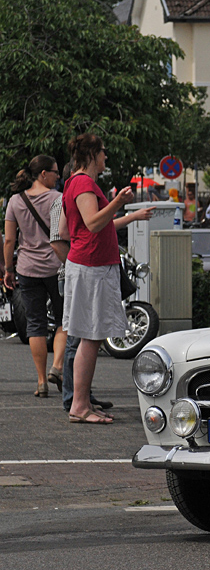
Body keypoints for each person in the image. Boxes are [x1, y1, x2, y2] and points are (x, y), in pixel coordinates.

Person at [62, 134, 153, 424]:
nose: (106, 157)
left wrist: (131, 215)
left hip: (91, 265)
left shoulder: (76, 183)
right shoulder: (83, 183)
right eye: (103, 152)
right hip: (92, 266)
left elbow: (96, 225)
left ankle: (82, 402)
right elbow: (93, 223)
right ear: (91, 154)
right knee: (91, 336)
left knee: (92, 336)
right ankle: (79, 405)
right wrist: (118, 201)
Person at [48, 168, 113, 414]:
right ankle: (74, 398)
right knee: (79, 335)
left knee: (77, 333)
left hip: (77, 268)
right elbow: (60, 237)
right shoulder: (73, 192)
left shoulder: (70, 192)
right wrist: (75, 266)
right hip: (80, 269)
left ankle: (80, 396)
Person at [3, 155, 66, 398]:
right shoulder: (58, 199)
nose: (57, 177)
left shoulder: (15, 201)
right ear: (43, 174)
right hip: (56, 268)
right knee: (65, 320)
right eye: (55, 172)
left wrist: (9, 269)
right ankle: (57, 366)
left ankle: (41, 381)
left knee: (35, 325)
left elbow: (9, 240)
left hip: (27, 270)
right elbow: (61, 233)